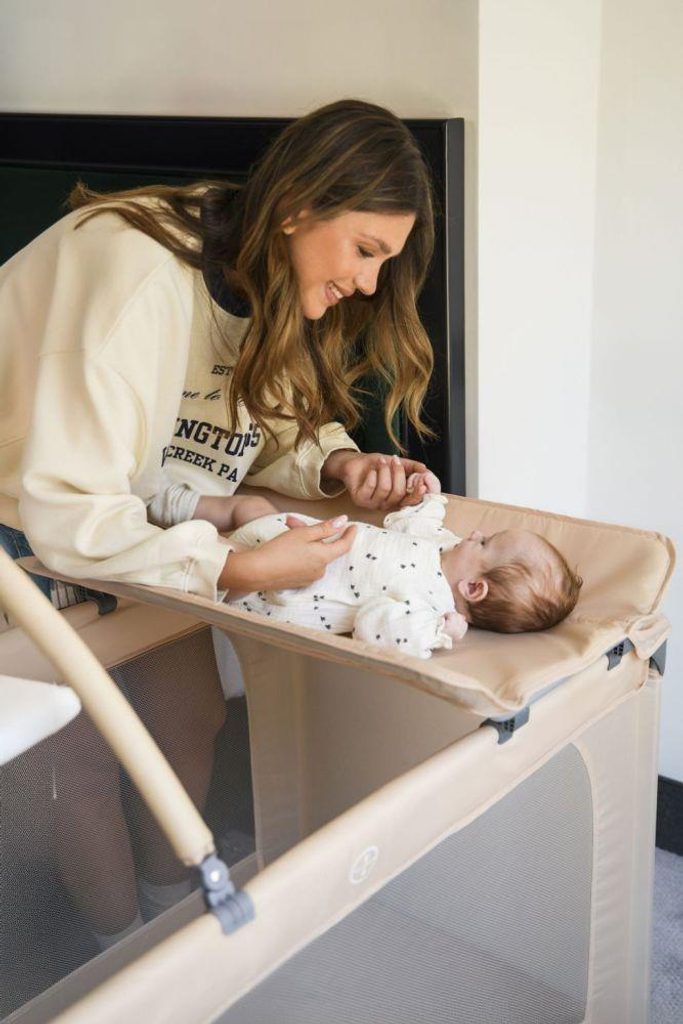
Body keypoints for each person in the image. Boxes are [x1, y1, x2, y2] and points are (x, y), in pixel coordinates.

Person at [0, 100, 436, 948]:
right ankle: (122, 963)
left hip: (128, 512)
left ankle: (174, 914)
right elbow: (65, 506)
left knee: (189, 714)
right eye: (365, 251)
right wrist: (234, 569)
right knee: (78, 760)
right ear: (299, 206)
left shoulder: (254, 270)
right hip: (24, 519)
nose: (368, 284)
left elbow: (257, 421)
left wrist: (335, 465)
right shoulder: (134, 274)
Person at [151, 471, 583, 659]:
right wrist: (428, 497)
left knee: (212, 549)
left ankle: (143, 532)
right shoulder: (444, 548)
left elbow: (377, 628)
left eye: (485, 542)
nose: (475, 533)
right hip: (294, 536)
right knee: (250, 507)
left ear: (473, 588)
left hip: (276, 583)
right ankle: (164, 503)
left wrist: (437, 632)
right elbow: (416, 525)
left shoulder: (427, 608)